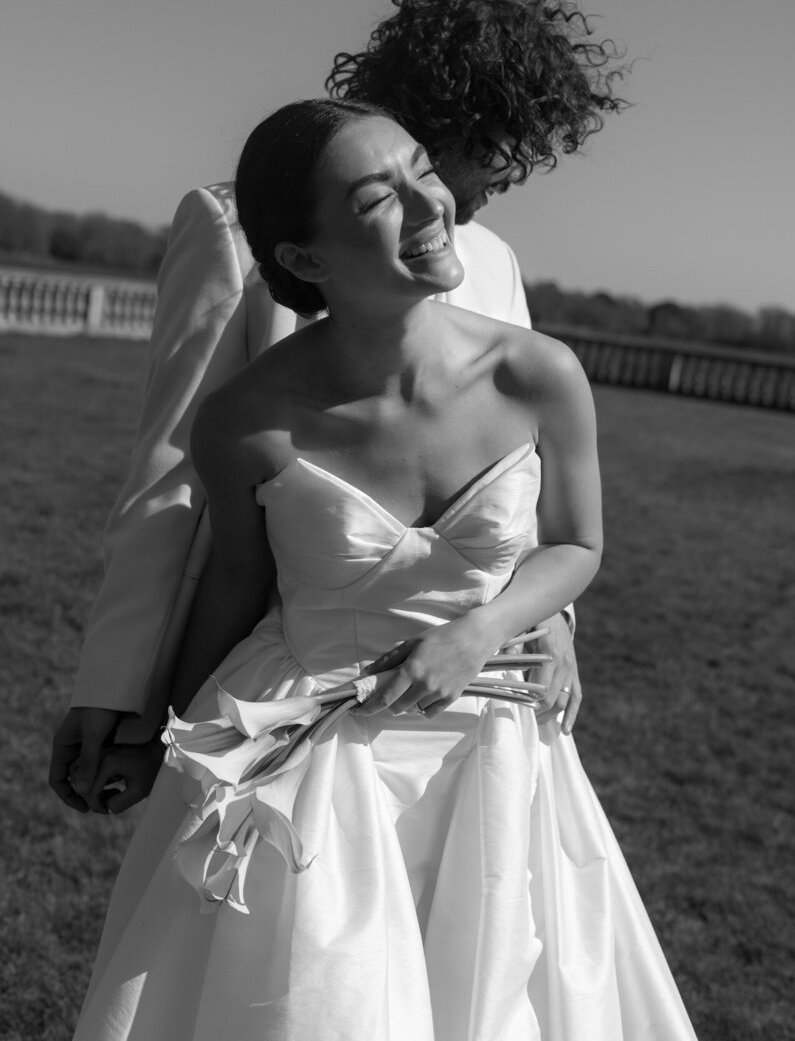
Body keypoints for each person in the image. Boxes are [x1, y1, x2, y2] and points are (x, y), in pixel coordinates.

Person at [72, 100, 696, 1041]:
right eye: (377, 198)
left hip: (494, 757)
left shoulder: (540, 374)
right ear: (306, 257)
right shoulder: (243, 420)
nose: (431, 204)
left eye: (423, 171)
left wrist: (481, 630)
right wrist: (167, 735)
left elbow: (576, 545)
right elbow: (236, 586)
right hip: (310, 764)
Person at [50, 0, 629, 814]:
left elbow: (536, 486)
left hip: (480, 706)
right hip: (291, 680)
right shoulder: (232, 232)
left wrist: (550, 618)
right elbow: (171, 470)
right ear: (450, 118)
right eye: (500, 145)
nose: (504, 178)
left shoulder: (494, 259)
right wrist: (121, 688)